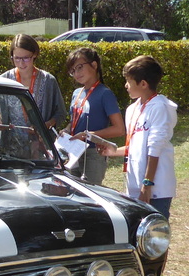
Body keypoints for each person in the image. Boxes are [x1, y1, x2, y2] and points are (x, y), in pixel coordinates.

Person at [97, 55, 176, 217]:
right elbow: (135, 146)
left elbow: (154, 148)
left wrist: (147, 184)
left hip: (155, 188)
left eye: (128, 81)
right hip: (134, 186)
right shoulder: (132, 109)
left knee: (154, 229)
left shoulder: (160, 107)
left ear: (143, 84)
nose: (125, 85)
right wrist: (112, 151)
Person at [0, 34, 66, 157]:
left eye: (26, 58)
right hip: (11, 150)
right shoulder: (4, 80)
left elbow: (60, 113)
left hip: (40, 149)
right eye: (16, 58)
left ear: (34, 54)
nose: (21, 63)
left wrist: (45, 126)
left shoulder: (48, 80)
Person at [64, 46, 124, 185]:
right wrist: (66, 130)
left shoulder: (105, 93)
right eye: (73, 70)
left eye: (80, 67)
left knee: (90, 192)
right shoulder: (76, 93)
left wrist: (89, 135)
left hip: (93, 153)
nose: (76, 73)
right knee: (72, 191)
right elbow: (74, 120)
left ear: (94, 65)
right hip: (73, 151)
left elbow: (119, 129)